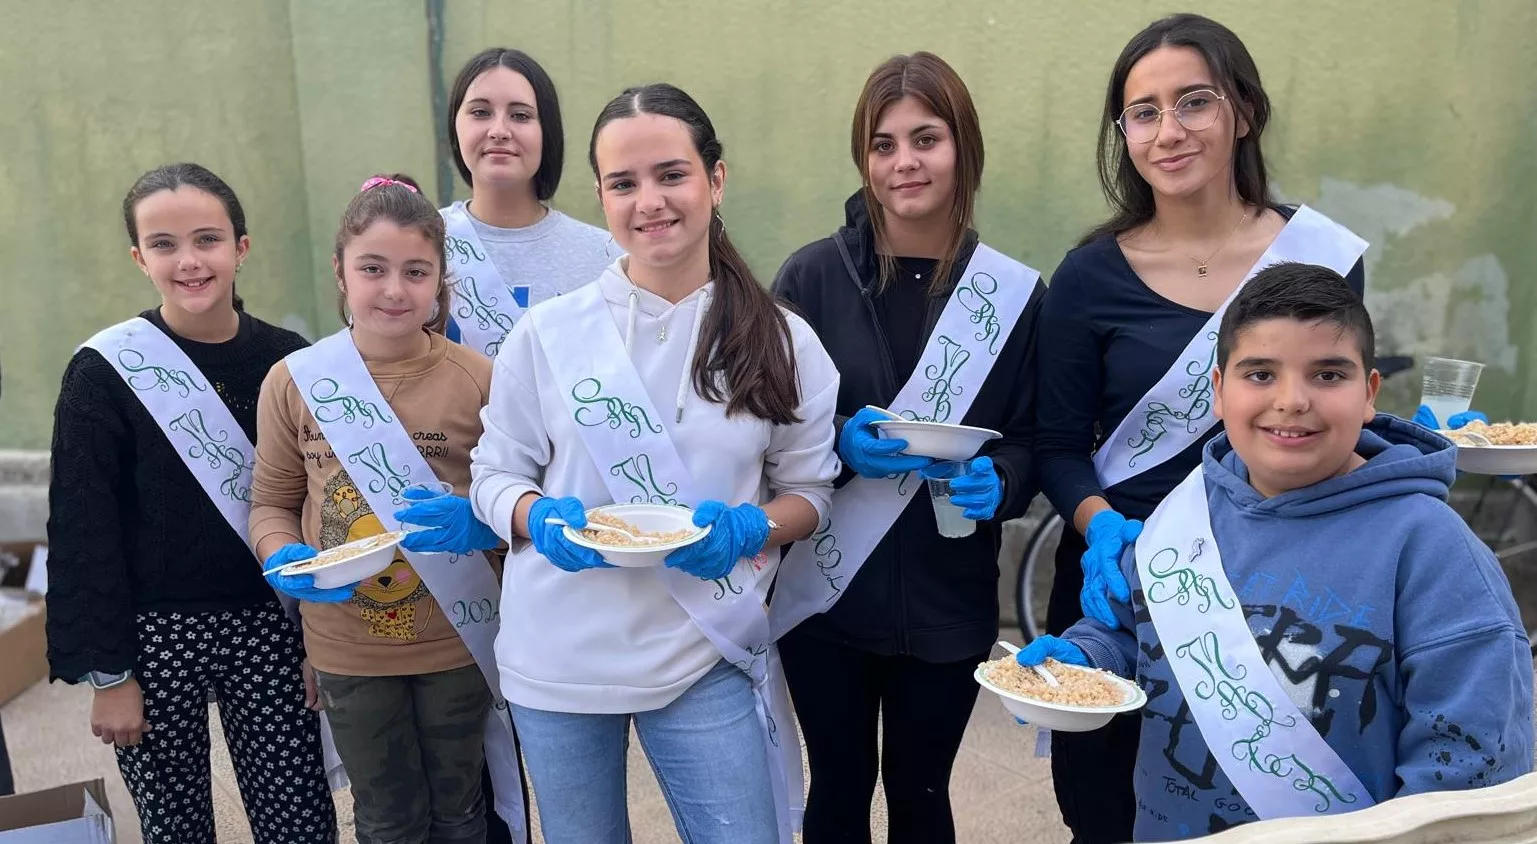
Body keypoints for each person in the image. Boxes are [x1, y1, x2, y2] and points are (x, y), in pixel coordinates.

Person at [1018, 262, 1534, 841]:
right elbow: (1134, 631)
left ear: (1368, 393)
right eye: (1260, 374)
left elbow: (1469, 774)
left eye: (1328, 375)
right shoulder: (1186, 513)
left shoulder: (1436, 553)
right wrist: (1083, 659)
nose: (1291, 400)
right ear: (1218, 392)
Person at [469, 83, 840, 844]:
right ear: (601, 197)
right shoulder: (547, 334)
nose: (650, 202)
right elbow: (493, 474)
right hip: (558, 657)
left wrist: (752, 527)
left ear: (715, 179)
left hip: (702, 650)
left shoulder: (781, 340)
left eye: (671, 174)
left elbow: (810, 491)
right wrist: (535, 515)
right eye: (623, 183)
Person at [1033, 14, 1370, 842]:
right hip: (1126, 585)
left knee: (1266, 810)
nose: (1167, 130)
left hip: (1276, 584)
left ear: (1242, 112)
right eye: (1142, 112)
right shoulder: (1087, 276)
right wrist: (1100, 524)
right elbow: (1055, 445)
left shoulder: (1318, 257)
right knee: (1107, 810)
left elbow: (1334, 404)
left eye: (1193, 102)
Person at [768, 52, 1043, 843]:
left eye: (925, 138)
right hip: (826, 595)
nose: (903, 163)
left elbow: (1032, 437)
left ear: (963, 148)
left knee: (922, 796)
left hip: (948, 597)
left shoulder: (1013, 294)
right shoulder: (811, 278)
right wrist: (835, 441)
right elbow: (767, 427)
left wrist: (1005, 479)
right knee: (839, 787)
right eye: (882, 144)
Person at [46, 163, 336, 843]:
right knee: (174, 827)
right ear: (138, 257)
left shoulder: (291, 360)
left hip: (271, 622)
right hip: (154, 634)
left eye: (207, 239)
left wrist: (323, 638)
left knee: (299, 819)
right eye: (165, 244)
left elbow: (322, 508)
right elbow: (85, 527)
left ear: (241, 245)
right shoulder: (104, 372)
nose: (188, 261)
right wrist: (109, 674)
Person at [252, 174, 523, 844]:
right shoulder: (294, 381)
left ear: (439, 282)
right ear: (341, 274)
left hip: (458, 637)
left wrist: (481, 521)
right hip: (346, 647)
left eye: (415, 271)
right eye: (372, 269)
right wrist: (277, 553)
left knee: (461, 810)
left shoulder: (479, 379)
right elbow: (272, 503)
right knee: (383, 818)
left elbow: (515, 498)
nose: (394, 289)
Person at [440, 47, 614, 358]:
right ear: (455, 125)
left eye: (520, 115)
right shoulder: (417, 243)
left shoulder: (605, 258)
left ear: (548, 132)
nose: (499, 131)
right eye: (480, 112)